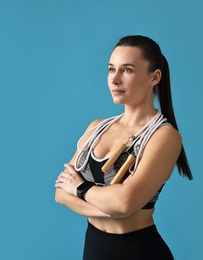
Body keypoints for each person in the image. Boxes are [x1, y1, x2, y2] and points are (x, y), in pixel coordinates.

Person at [55, 35, 193, 260]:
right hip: (93, 249)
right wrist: (110, 210)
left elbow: (125, 202)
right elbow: (60, 193)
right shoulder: (96, 128)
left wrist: (80, 188)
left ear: (154, 77)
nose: (115, 79)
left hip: (139, 252)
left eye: (127, 70)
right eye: (111, 69)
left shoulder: (164, 137)